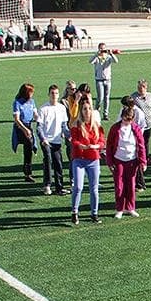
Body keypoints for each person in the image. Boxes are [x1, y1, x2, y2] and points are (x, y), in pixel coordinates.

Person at [105, 104, 147, 218]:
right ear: (122, 116)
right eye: (125, 118)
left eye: (129, 119)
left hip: (132, 161)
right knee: (119, 186)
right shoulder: (115, 128)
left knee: (131, 185)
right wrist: (110, 162)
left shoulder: (136, 129)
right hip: (118, 160)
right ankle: (120, 209)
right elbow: (109, 146)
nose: (127, 121)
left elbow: (141, 145)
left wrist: (143, 161)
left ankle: (130, 208)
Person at [69, 94, 105, 225]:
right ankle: (74, 212)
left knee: (94, 188)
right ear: (81, 111)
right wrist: (80, 145)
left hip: (93, 159)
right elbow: (74, 140)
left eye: (89, 109)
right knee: (78, 187)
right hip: (79, 159)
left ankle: (94, 213)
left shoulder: (97, 126)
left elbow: (102, 142)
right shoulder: (77, 125)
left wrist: (96, 146)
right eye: (84, 109)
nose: (87, 111)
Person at [36, 83, 69, 196]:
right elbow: (39, 127)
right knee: (48, 160)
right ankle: (47, 185)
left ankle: (59, 187)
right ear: (49, 94)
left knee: (58, 163)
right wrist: (43, 138)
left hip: (57, 140)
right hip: (46, 140)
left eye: (56, 93)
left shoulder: (62, 108)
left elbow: (64, 125)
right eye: (52, 93)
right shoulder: (43, 109)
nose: (54, 95)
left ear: (59, 95)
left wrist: (69, 135)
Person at [131, 79, 151, 190]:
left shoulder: (150, 96)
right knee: (140, 144)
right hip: (140, 127)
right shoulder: (134, 97)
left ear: (146, 87)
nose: (140, 89)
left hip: (149, 124)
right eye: (139, 87)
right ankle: (142, 160)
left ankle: (146, 158)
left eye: (142, 87)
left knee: (146, 142)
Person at [12, 82, 37, 183]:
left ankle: (27, 171)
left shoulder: (31, 102)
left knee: (29, 148)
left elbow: (35, 114)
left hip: (29, 126)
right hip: (21, 127)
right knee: (28, 146)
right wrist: (25, 129)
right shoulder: (17, 103)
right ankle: (27, 173)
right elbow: (17, 119)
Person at [92, 43, 119, 121]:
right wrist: (96, 54)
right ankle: (96, 111)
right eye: (101, 48)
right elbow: (90, 61)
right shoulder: (97, 57)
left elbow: (116, 61)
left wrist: (111, 54)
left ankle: (105, 114)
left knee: (106, 97)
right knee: (100, 97)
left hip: (107, 80)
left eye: (103, 48)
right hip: (99, 80)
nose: (102, 50)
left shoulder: (108, 57)